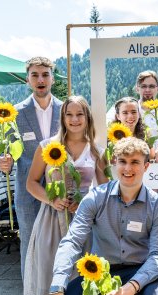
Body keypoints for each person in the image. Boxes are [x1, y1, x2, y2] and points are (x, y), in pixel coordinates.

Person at [50, 137, 158, 295]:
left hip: (141, 273)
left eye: (134, 162)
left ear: (146, 166)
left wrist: (133, 285)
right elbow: (72, 241)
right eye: (122, 161)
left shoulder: (157, 206)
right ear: (115, 164)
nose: (127, 168)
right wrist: (58, 283)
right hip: (100, 273)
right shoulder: (96, 198)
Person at [23, 96, 108, 294]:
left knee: (82, 273)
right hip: (51, 220)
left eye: (79, 114)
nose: (74, 119)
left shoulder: (97, 151)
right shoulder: (47, 147)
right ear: (62, 118)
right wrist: (51, 200)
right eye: (69, 114)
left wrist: (87, 202)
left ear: (87, 118)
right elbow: (31, 183)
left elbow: (105, 190)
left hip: (84, 222)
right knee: (49, 269)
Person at [0, 56, 63, 277]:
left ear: (52, 79)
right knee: (29, 244)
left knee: (62, 242)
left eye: (45, 74)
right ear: (28, 80)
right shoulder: (14, 114)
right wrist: (2, 162)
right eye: (35, 75)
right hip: (28, 193)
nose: (40, 79)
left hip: (61, 189)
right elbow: (6, 152)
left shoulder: (66, 111)